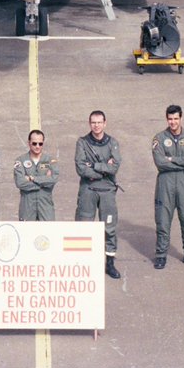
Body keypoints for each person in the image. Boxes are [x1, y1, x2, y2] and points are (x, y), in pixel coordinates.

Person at [151, 105, 184, 268]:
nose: (173, 122)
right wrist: (181, 161)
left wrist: (171, 159)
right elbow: (160, 162)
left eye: (176, 119)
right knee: (163, 222)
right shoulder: (159, 138)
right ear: (167, 119)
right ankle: (161, 255)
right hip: (165, 184)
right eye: (170, 119)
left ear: (181, 118)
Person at [75, 110, 122, 279]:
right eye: (93, 122)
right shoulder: (82, 142)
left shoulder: (113, 143)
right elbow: (81, 168)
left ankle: (109, 263)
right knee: (84, 227)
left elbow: (114, 167)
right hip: (88, 190)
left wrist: (94, 165)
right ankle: (82, 264)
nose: (96, 125)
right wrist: (103, 169)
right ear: (89, 124)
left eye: (99, 122)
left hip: (107, 191)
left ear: (105, 123)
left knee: (109, 228)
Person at [14, 129, 58, 220]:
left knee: (48, 233)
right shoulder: (20, 160)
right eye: (34, 143)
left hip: (45, 205)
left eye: (40, 144)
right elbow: (20, 182)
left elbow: (53, 180)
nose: (37, 146)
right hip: (27, 206)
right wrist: (44, 181)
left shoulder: (50, 160)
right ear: (29, 142)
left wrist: (32, 178)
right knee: (26, 233)